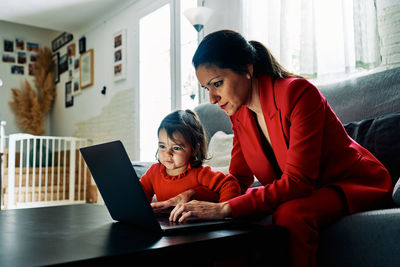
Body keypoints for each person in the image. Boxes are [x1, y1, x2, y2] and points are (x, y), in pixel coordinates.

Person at [152, 30, 393, 267]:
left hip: (352, 182)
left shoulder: (298, 93)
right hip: (311, 190)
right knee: (233, 211)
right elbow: (238, 179)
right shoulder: (240, 113)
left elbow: (298, 182)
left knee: (291, 214)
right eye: (207, 88)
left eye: (217, 84)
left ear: (247, 68)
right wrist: (193, 196)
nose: (212, 99)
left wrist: (225, 207)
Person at [140, 109, 241, 207]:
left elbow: (229, 183)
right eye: (162, 146)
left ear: (194, 150)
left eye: (176, 148)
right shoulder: (153, 173)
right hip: (165, 224)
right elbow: (137, 196)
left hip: (195, 222)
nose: (167, 153)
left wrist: (222, 211)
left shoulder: (200, 174)